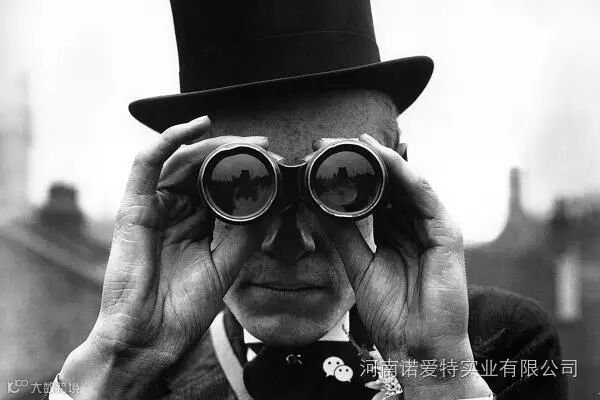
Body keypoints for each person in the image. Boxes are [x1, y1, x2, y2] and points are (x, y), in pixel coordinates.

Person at [48, 1, 567, 399]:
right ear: (190, 193)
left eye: (342, 183)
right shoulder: (127, 377)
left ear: (396, 183)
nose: (290, 243)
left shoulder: (496, 346)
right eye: (241, 185)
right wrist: (118, 361)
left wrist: (440, 380)